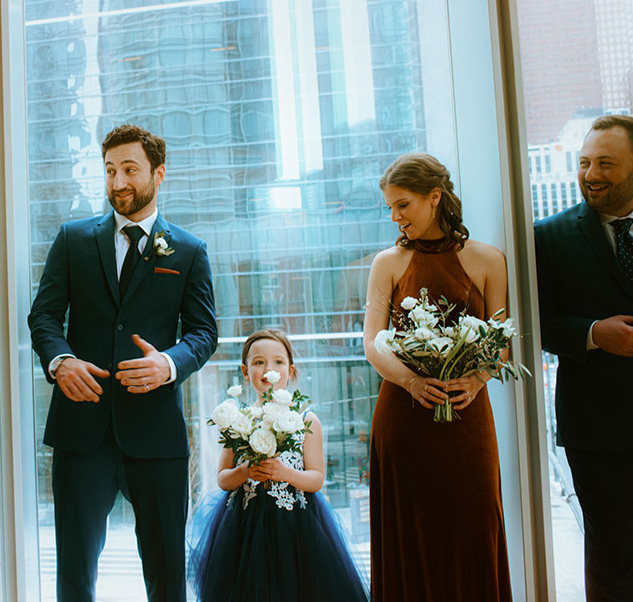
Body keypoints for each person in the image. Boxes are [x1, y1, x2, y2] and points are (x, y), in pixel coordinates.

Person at [28, 124, 218, 602]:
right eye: (110, 170)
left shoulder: (190, 251)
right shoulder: (72, 240)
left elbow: (204, 332)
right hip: (81, 432)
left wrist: (169, 365)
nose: (118, 182)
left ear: (158, 174)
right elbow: (44, 316)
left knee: (166, 570)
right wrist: (60, 361)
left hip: (155, 433)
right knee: (74, 572)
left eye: (130, 170)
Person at [362, 153, 512, 601]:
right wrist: (410, 382)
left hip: (467, 416)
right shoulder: (387, 262)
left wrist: (477, 379)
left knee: (473, 523)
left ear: (435, 197)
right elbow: (372, 342)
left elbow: (501, 340)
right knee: (410, 531)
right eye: (389, 207)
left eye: (403, 204)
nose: (395, 217)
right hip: (403, 418)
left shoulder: (488, 259)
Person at [534, 114, 633, 601]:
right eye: (585, 163)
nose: (591, 174)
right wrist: (594, 334)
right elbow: (537, 323)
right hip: (597, 430)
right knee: (612, 554)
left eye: (606, 163)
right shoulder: (549, 238)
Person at [191, 330, 367, 602]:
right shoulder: (237, 421)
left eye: (278, 362)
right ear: (245, 371)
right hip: (243, 528)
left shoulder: (306, 421)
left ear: (291, 370)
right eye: (259, 362)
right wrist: (244, 472)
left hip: (297, 526)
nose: (268, 369)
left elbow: (317, 478)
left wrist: (285, 473)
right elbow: (222, 478)